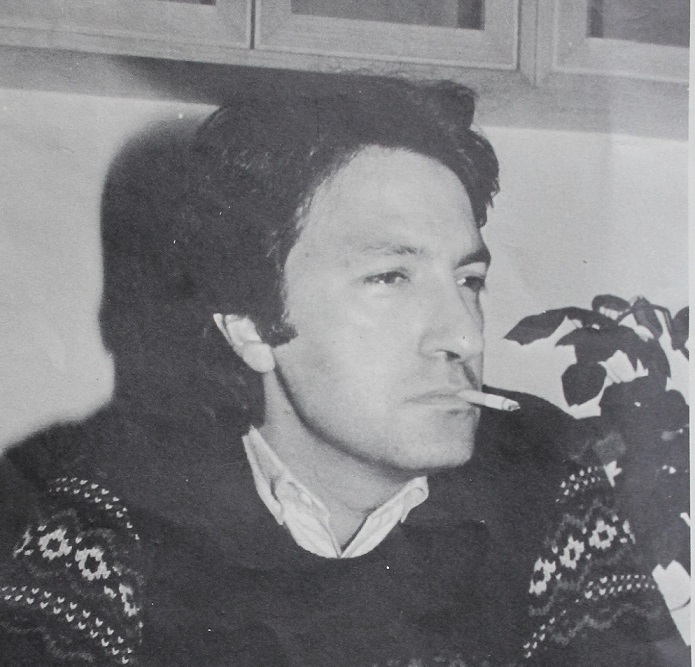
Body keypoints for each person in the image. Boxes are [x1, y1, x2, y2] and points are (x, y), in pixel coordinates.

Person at [0, 75, 684, 666]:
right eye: (389, 277)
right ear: (251, 327)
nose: (463, 333)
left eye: (468, 279)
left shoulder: (542, 464)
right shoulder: (105, 499)